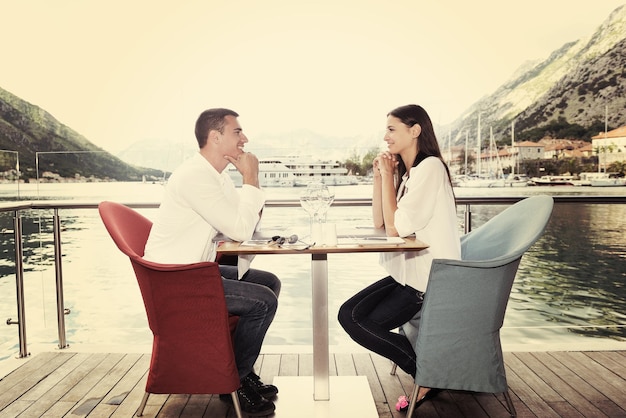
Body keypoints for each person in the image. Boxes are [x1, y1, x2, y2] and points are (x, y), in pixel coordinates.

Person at [144, 108, 280, 417]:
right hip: (176, 280)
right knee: (264, 301)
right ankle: (235, 379)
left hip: (195, 269)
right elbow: (241, 229)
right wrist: (251, 177)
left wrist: (248, 185)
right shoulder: (195, 177)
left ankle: (238, 371)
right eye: (237, 132)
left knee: (268, 281)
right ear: (215, 137)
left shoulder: (213, 176)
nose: (245, 138)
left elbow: (247, 223)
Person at [337, 104, 461, 407]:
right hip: (409, 276)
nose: (385, 137)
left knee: (356, 321)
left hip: (427, 281)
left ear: (415, 130)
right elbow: (380, 222)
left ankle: (426, 373)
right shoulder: (412, 174)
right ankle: (428, 367)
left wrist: (390, 175)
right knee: (348, 315)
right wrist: (382, 177)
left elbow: (394, 227)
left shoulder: (430, 168)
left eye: (392, 129)